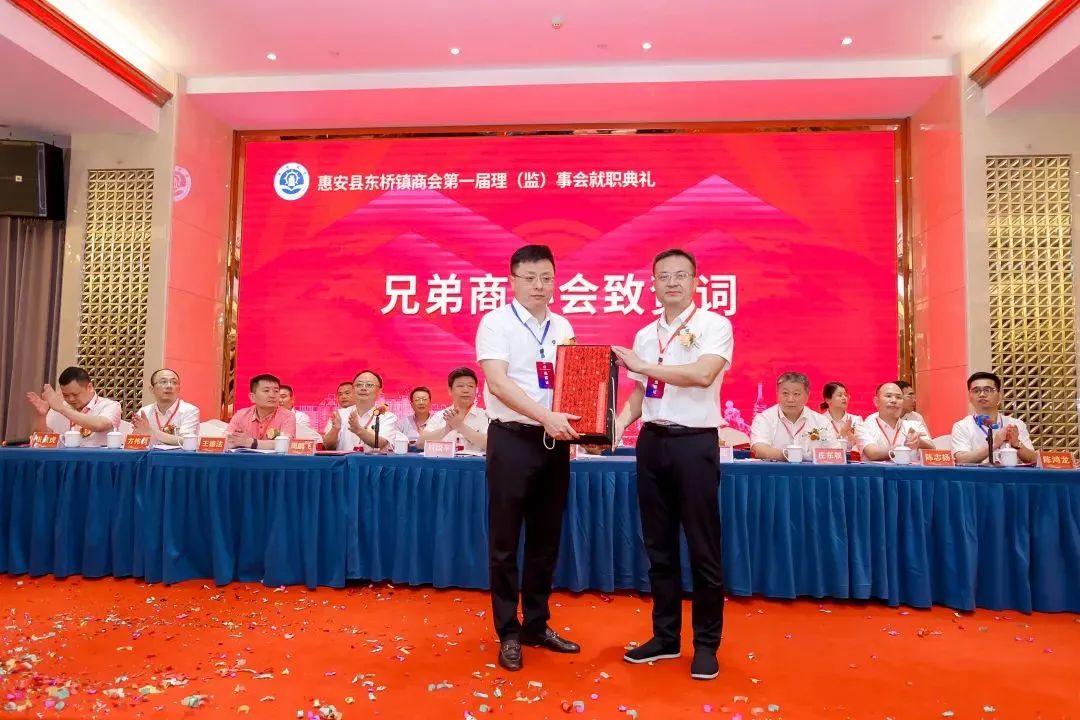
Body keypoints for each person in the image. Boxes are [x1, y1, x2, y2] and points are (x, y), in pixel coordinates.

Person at [612, 248, 733, 681]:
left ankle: (706, 644)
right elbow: (639, 392)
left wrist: (644, 365)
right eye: (663, 276)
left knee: (703, 547)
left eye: (681, 275)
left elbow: (702, 374)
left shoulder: (714, 325)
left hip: (694, 443)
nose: (672, 283)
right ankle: (665, 637)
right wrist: (615, 426)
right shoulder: (646, 334)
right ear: (653, 284)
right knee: (658, 546)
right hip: (653, 442)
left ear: (696, 281)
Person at [476, 244, 581, 672]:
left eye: (547, 278)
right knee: (505, 543)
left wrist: (589, 425)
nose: (540, 286)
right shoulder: (496, 322)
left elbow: (574, 381)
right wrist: (545, 416)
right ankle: (508, 631)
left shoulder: (563, 325)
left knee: (545, 541)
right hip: (513, 440)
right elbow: (498, 384)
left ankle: (537, 624)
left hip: (555, 443)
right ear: (513, 281)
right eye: (530, 278)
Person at [950, 371, 1036, 464]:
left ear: (999, 396)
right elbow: (961, 460)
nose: (982, 394)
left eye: (988, 390)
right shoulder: (962, 426)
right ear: (969, 397)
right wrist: (994, 444)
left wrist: (1016, 443)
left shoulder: (1016, 424)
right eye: (976, 391)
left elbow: (1033, 459)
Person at [26, 366, 122, 447]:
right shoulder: (59, 406)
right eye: (66, 395)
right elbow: (42, 440)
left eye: (75, 394)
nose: (71, 399)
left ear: (89, 387)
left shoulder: (110, 406)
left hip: (97, 461)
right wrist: (42, 416)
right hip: (63, 460)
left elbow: (99, 425)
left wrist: (63, 409)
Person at [749, 372, 835, 460]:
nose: (790, 399)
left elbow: (835, 453)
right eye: (785, 393)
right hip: (776, 468)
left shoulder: (821, 422)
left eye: (796, 394)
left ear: (807, 396)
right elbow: (759, 449)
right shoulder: (764, 419)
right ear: (777, 394)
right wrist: (790, 456)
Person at [322, 370, 401, 452]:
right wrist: (335, 429)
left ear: (379, 391)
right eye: (359, 385)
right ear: (353, 389)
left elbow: (381, 443)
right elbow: (328, 447)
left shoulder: (387, 417)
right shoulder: (340, 415)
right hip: (345, 460)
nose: (363, 388)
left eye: (369, 385)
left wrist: (358, 429)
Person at [855, 382, 933, 460]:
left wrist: (919, 442)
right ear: (876, 401)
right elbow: (873, 454)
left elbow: (932, 448)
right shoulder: (864, 427)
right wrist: (903, 447)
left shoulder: (915, 425)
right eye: (888, 396)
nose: (894, 400)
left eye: (898, 397)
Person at [418, 368, 489, 454]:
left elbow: (491, 445)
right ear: (450, 390)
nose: (466, 390)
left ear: (476, 390)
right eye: (460, 386)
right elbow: (420, 444)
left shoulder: (486, 416)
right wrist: (446, 429)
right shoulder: (440, 416)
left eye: (470, 386)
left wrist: (460, 426)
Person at [132, 368, 200, 447]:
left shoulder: (190, 410)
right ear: (152, 389)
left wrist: (151, 431)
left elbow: (187, 441)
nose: (169, 386)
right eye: (163, 382)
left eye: (174, 382)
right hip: (150, 454)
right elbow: (134, 440)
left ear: (179, 389)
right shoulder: (144, 412)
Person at [225, 374, 296, 450]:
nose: (272, 395)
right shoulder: (240, 415)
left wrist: (250, 442)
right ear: (253, 397)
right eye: (266, 391)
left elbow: (286, 443)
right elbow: (226, 440)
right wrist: (233, 442)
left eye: (276, 391)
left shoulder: (288, 416)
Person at [820, 381, 862, 448]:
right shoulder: (819, 421)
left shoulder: (856, 420)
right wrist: (842, 434)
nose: (844, 398)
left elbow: (862, 447)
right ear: (828, 400)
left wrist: (853, 439)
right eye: (839, 395)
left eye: (845, 395)